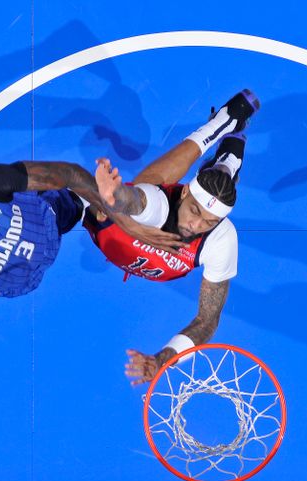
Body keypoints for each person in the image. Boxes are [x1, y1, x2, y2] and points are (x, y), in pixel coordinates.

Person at [0, 160, 181, 397]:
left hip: (57, 211)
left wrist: (124, 220)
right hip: (17, 277)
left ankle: (214, 135)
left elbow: (71, 174)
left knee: (130, 206)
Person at [83, 89, 260, 385]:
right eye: (194, 211)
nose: (196, 225)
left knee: (223, 183)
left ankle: (228, 159)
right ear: (186, 192)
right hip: (124, 220)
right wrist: (114, 196)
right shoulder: (156, 205)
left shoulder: (221, 239)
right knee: (145, 186)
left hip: (149, 250)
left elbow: (207, 319)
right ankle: (219, 126)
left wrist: (162, 359)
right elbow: (134, 200)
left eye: (210, 221)